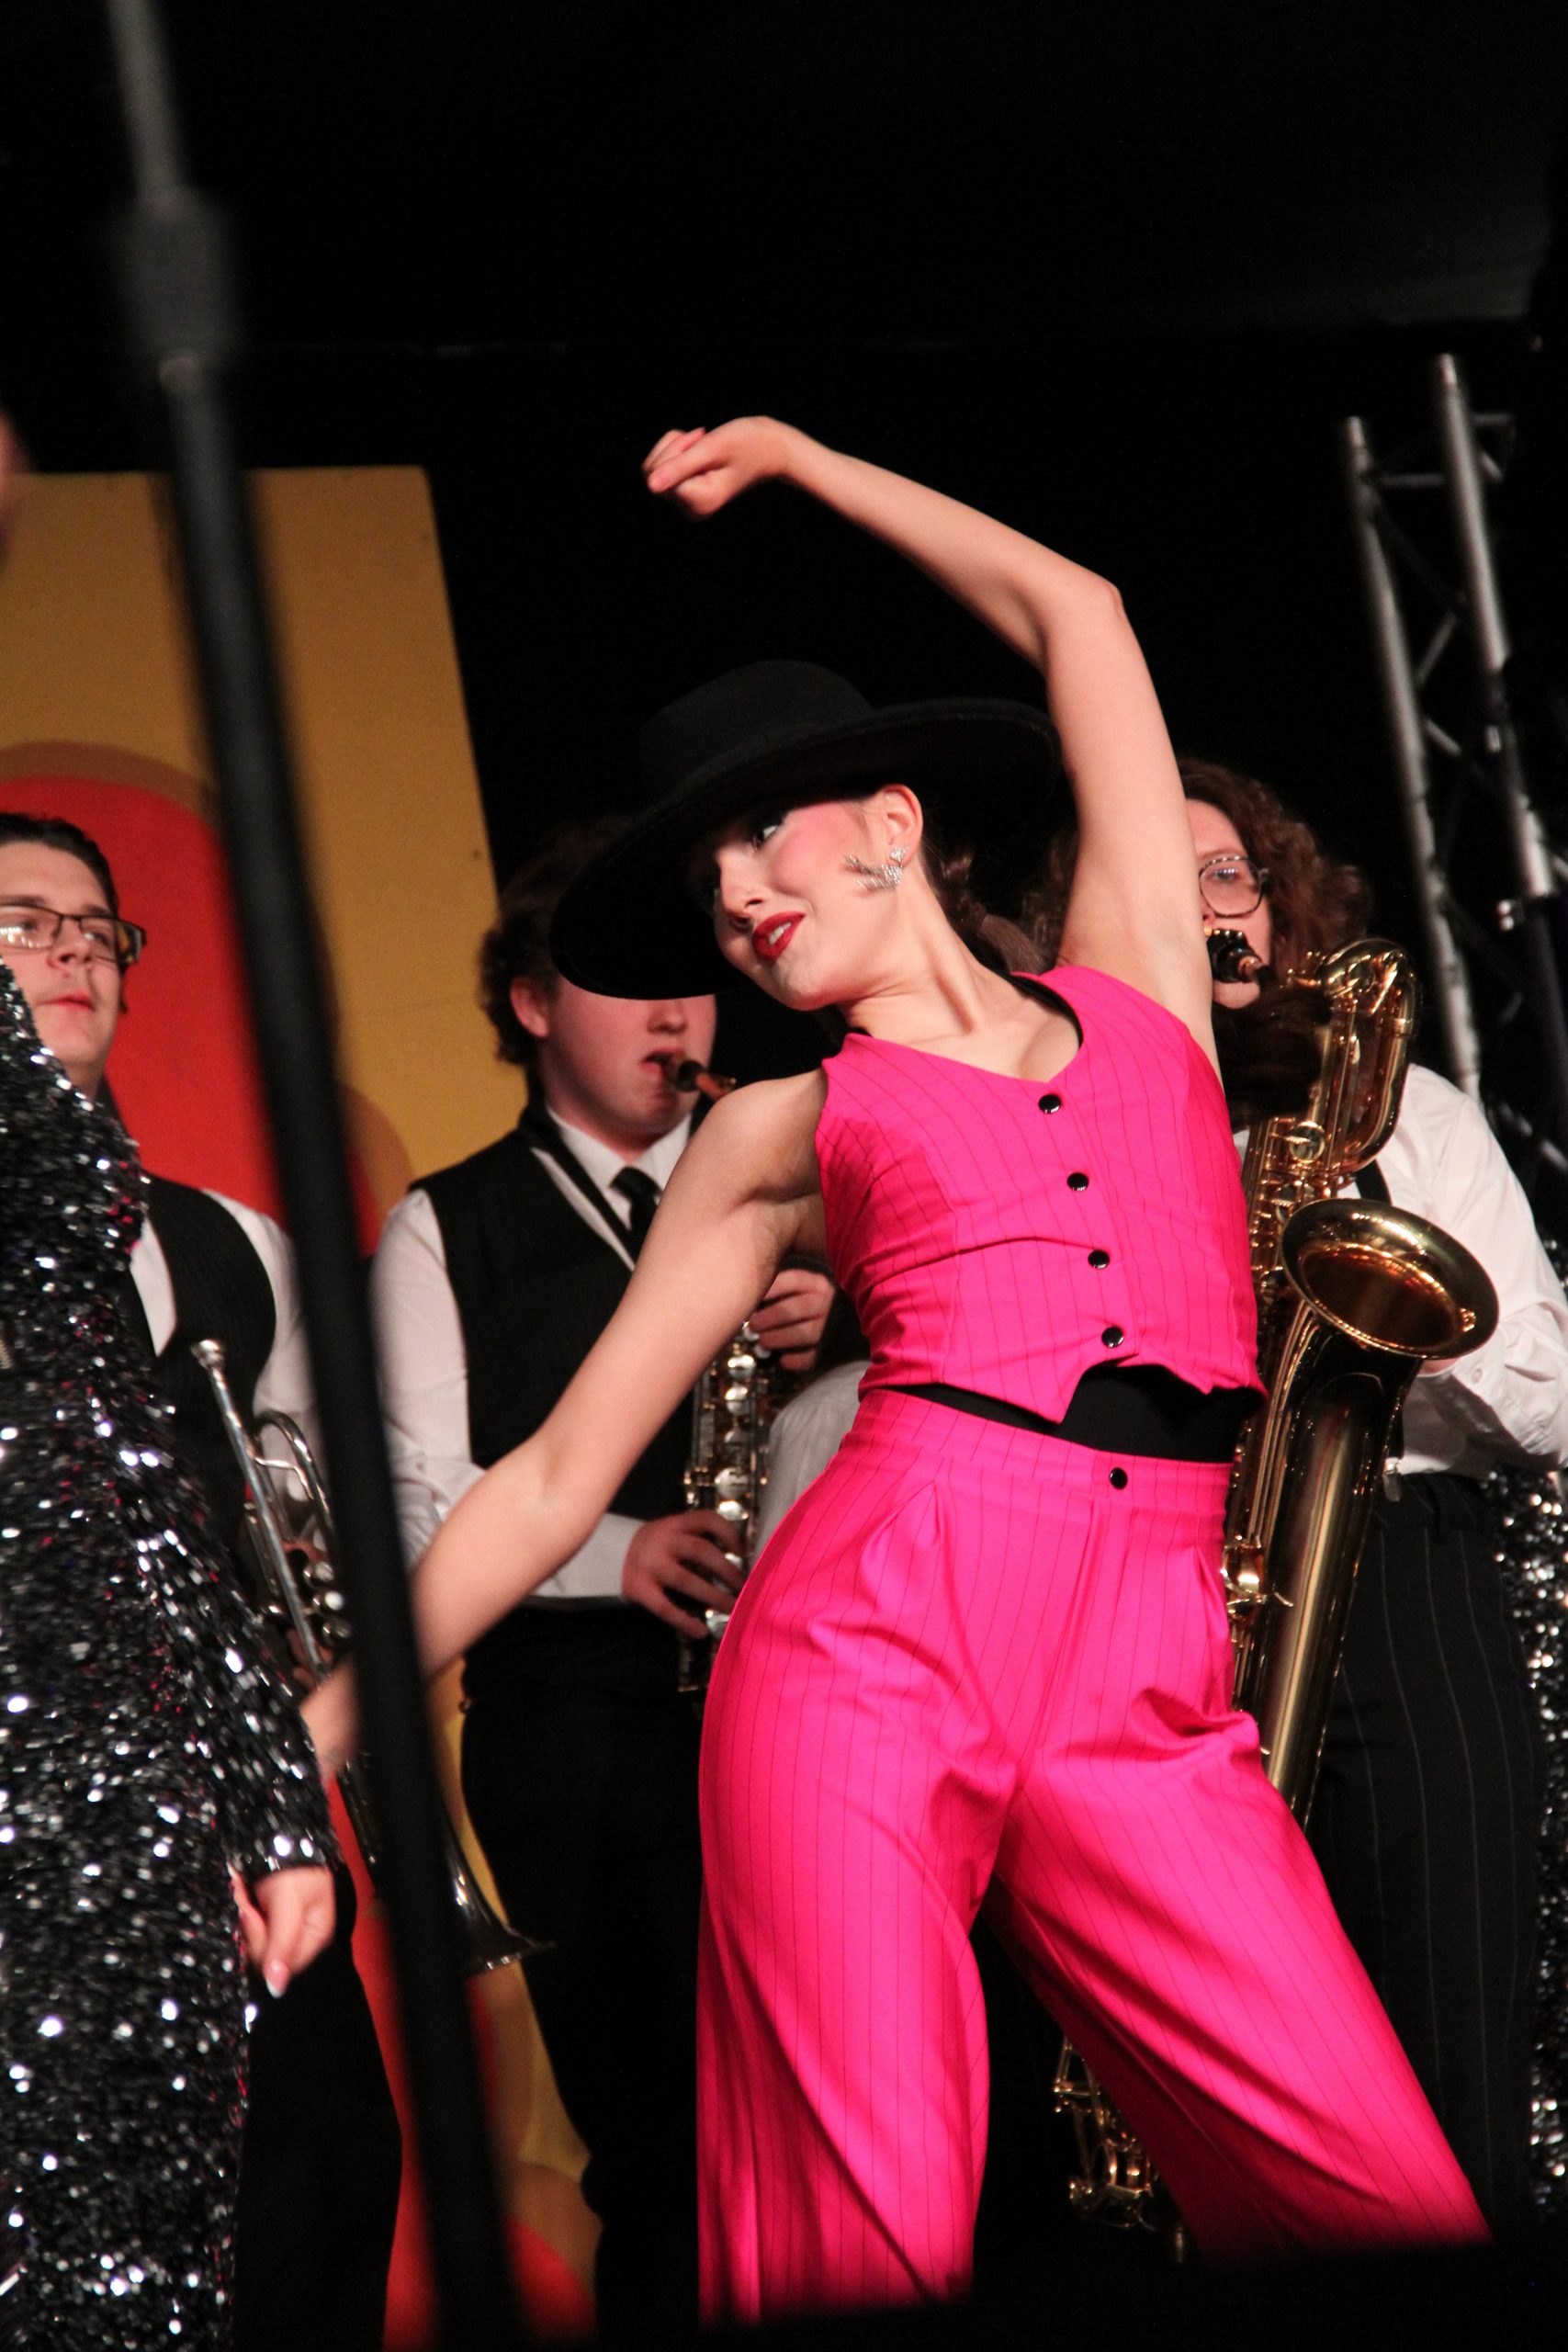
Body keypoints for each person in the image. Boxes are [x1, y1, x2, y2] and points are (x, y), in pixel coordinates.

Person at [307, 416, 1488, 2322]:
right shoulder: (774, 1125)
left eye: (759, 833)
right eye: (705, 876)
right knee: (854, 2243)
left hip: (1148, 1668)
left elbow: (1078, 609)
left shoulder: (1136, 982)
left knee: (1379, 2196)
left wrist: (801, 460)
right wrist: (317, 1727)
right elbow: (548, 1478)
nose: (734, 893)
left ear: (891, 817)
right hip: (868, 1641)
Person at [1033, 755, 1567, 2231]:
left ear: (1278, 908)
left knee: (1453, 2097)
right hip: (1154, 1608)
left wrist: (1370, 1300)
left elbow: (1550, 1402)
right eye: (1161, 879)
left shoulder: (1412, 1116)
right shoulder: (1064, 1140)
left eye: (1229, 873)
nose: (1207, 907)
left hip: (1401, 1596)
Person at [368, 818, 830, 2334]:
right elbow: (422, 1492)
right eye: (625, 981)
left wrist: (844, 1317)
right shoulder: (445, 1224)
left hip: (813, 1693)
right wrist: (620, 1550)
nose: (675, 1013)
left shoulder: (801, 1179)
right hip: (575, 1726)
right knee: (663, 2150)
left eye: (690, 978)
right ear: (531, 1006)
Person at [0, 809, 401, 2347]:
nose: (71, 953)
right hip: (55, 1826)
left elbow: (290, 1519)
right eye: (23, 924)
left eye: (95, 928)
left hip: (233, 1783)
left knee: (322, 2182)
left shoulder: (232, 1240)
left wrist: (283, 1775)